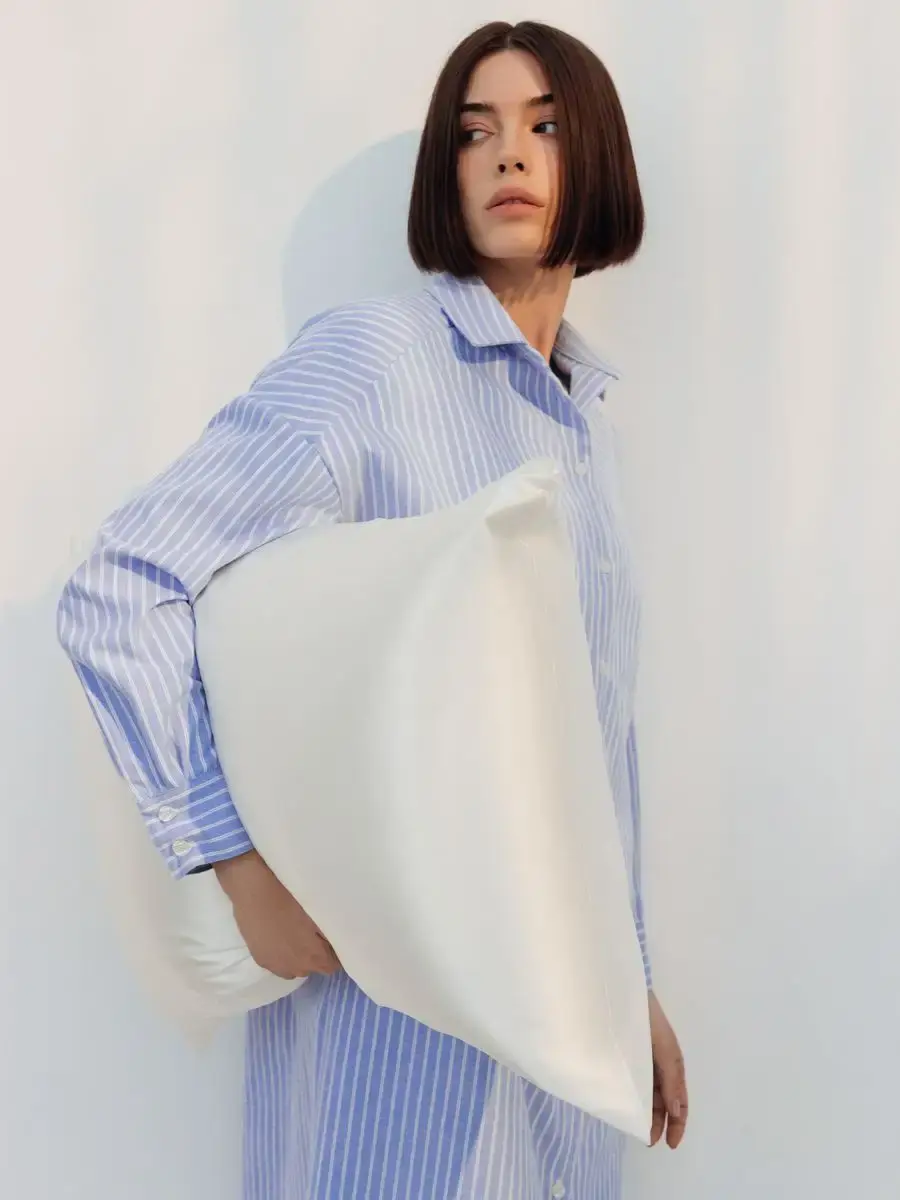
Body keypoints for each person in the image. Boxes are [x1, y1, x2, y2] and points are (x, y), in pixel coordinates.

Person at [58, 19, 688, 1200]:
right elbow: (126, 583)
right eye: (476, 132)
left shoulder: (589, 435)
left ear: (598, 154)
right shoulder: (377, 362)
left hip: (559, 1053)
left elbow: (597, 756)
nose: (510, 155)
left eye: (547, 126)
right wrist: (235, 866)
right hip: (393, 1041)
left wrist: (628, 982)